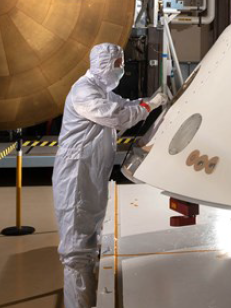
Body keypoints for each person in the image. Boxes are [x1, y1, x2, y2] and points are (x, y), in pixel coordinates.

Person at [53, 43, 168, 308]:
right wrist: (150, 106)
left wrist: (148, 101)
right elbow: (117, 118)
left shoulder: (100, 89)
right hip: (76, 177)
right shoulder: (84, 91)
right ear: (103, 64)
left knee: (89, 237)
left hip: (90, 174)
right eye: (118, 64)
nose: (122, 69)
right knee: (76, 249)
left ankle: (89, 296)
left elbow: (125, 105)